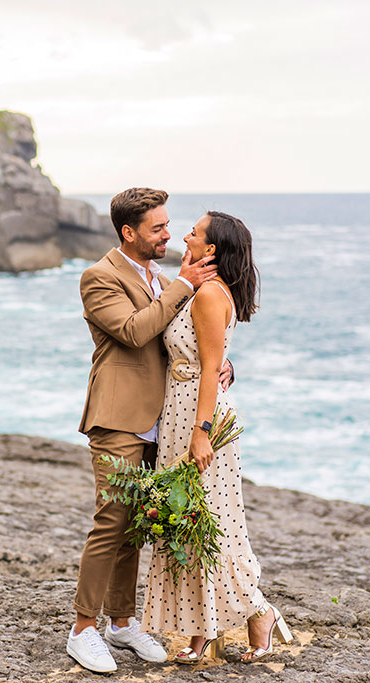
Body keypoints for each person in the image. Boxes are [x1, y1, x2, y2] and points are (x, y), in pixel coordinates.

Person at [68, 187, 230, 673]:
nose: (167, 234)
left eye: (167, 225)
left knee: (136, 526)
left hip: (162, 420)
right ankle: (82, 629)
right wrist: (182, 284)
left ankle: (121, 622)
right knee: (111, 520)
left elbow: (179, 340)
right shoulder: (99, 277)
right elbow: (136, 331)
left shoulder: (157, 276)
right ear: (129, 232)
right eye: (158, 228)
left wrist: (219, 363)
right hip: (117, 417)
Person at [140, 211, 293, 664]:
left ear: (210, 250)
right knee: (188, 524)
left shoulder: (208, 293)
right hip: (180, 411)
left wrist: (202, 432)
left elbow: (211, 367)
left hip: (197, 417)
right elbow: (214, 358)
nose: (184, 234)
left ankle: (259, 613)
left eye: (194, 231)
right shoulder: (197, 288)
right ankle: (200, 627)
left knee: (211, 523)